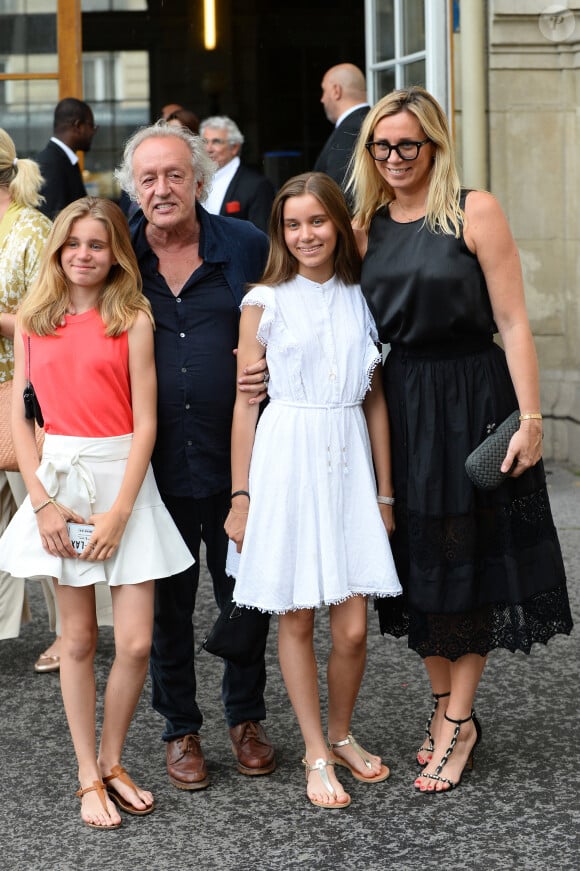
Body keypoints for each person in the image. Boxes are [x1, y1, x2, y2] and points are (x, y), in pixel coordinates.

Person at [348, 86, 573, 793]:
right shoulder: (364, 226)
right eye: (381, 147)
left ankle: (461, 718)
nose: (394, 158)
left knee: (468, 557)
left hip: (475, 398)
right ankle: (445, 706)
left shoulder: (474, 209)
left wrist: (531, 418)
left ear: (435, 146)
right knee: (420, 562)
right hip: (403, 403)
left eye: (407, 145)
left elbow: (511, 321)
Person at [0, 197, 194, 829]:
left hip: (122, 482)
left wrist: (119, 512)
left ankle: (113, 760)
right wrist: (42, 504)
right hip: (57, 480)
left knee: (136, 641)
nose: (84, 254)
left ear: (116, 253)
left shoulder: (132, 317)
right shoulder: (34, 318)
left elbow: (146, 423)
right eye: (73, 243)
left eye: (98, 244)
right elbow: (24, 421)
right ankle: (87, 773)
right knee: (78, 640)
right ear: (58, 250)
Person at [225, 172, 402, 809]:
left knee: (352, 628)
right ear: (282, 232)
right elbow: (246, 407)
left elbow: (375, 401)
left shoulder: (364, 295)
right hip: (287, 455)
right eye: (293, 224)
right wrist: (241, 495)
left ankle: (342, 732)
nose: (306, 235)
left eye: (317, 221)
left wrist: (385, 494)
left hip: (349, 453)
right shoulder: (264, 301)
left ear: (339, 224)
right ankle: (315, 751)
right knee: (297, 615)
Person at [114, 122, 276, 791]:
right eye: (148, 178)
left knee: (246, 596)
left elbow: (285, 322)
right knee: (167, 607)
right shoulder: (119, 251)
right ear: (133, 188)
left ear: (200, 181)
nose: (162, 189)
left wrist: (278, 374)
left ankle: (246, 719)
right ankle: (180, 727)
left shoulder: (245, 246)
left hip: (239, 459)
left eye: (174, 175)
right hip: (154, 467)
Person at [0, 128, 55, 659]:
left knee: (41, 509)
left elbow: (54, 319)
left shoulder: (33, 231)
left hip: (25, 390)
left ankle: (71, 632)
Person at [200, 115, 275, 233]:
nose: (208, 149)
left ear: (234, 147)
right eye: (205, 142)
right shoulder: (195, 180)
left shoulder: (257, 185)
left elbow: (263, 238)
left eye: (216, 142)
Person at [36, 99, 98, 221]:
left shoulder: (65, 160)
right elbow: (52, 222)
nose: (93, 132)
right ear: (78, 126)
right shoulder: (51, 165)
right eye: (91, 126)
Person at [313, 63, 369, 195]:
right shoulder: (367, 121)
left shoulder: (350, 131)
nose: (322, 99)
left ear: (336, 91)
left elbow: (340, 194)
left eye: (324, 91)